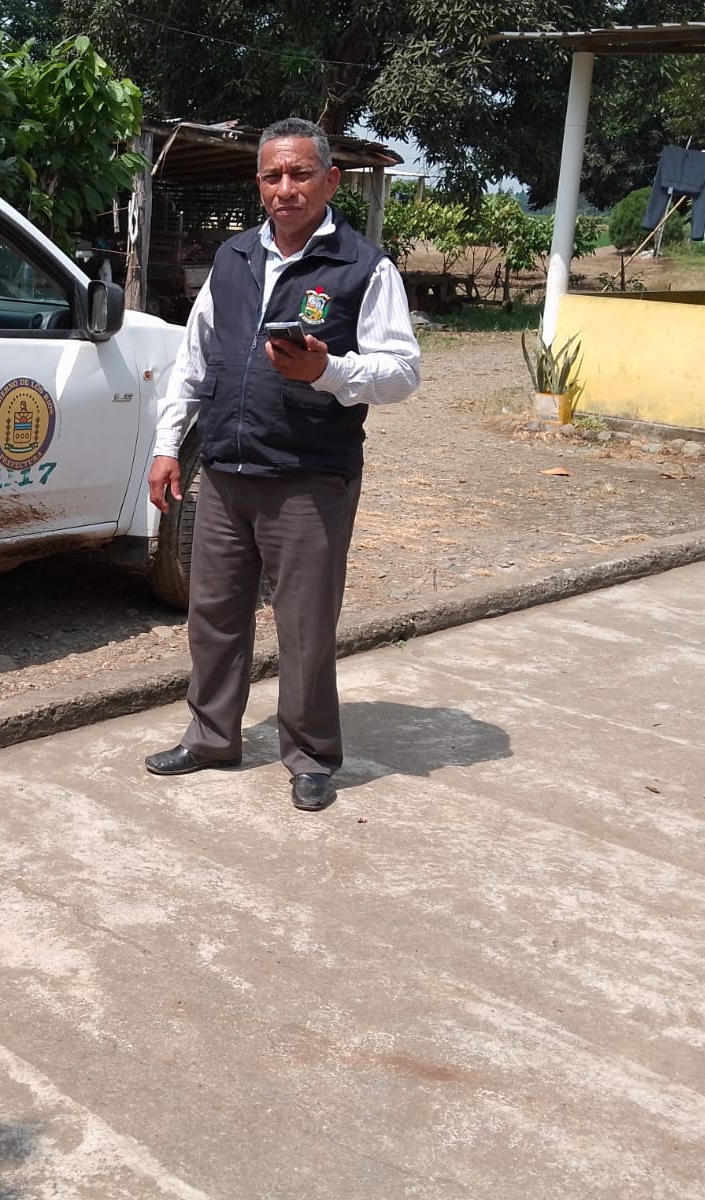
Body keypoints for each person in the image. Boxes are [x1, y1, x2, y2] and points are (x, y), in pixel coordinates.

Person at [143, 117, 420, 812]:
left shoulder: (363, 267)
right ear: (259, 183)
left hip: (309, 477)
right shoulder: (234, 257)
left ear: (331, 180)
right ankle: (212, 737)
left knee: (303, 627)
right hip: (226, 472)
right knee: (213, 615)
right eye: (272, 176)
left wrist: (328, 370)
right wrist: (167, 445)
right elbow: (194, 359)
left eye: (300, 174)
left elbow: (402, 373)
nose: (285, 188)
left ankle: (312, 755)